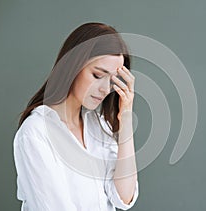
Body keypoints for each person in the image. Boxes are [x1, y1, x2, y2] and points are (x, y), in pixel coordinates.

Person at [13, 22, 139, 211]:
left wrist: (126, 118)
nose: (105, 89)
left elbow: (124, 197)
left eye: (112, 80)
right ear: (72, 66)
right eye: (97, 75)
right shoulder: (36, 132)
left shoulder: (99, 126)